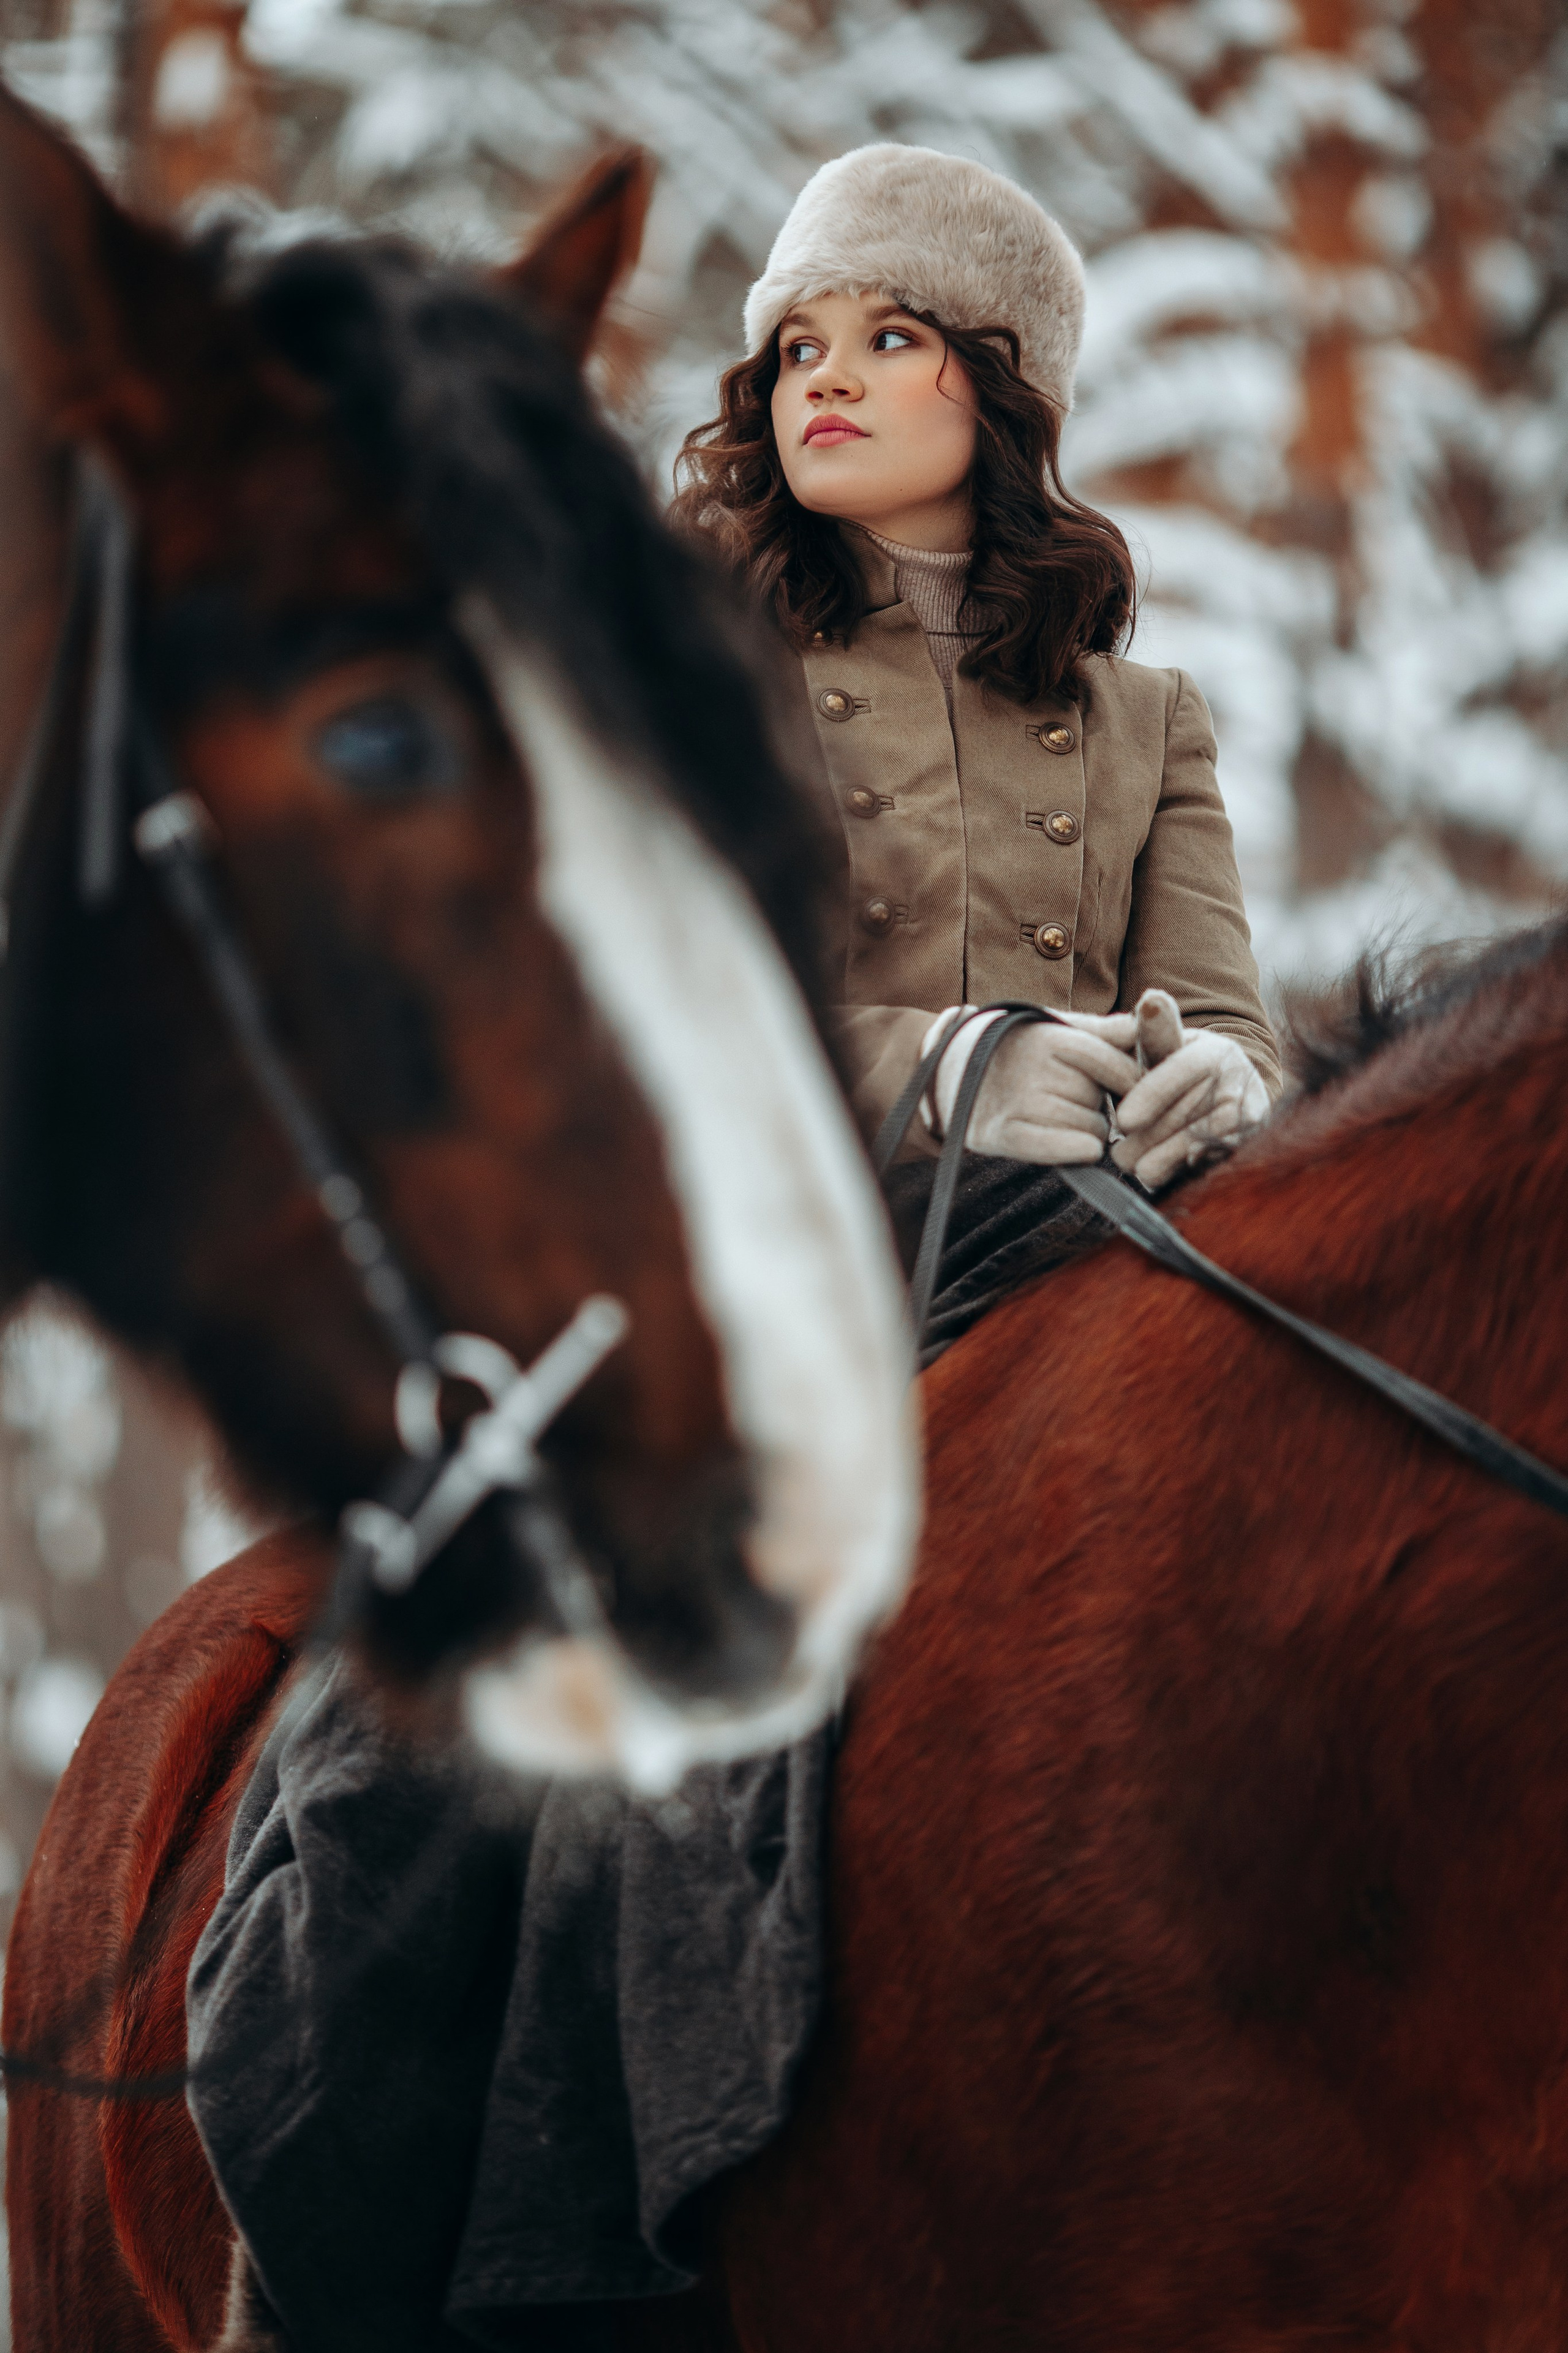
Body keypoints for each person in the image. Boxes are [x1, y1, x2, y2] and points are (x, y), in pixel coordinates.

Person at [673, 142, 1280, 1228]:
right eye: (798, 345)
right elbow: (662, 1012)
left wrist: (1225, 1085)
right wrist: (948, 1071)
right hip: (765, 1258)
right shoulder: (696, 674)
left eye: (891, 337)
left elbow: (1219, 1021)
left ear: (1009, 388)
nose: (826, 376)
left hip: (1071, 1272)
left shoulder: (1148, 720)